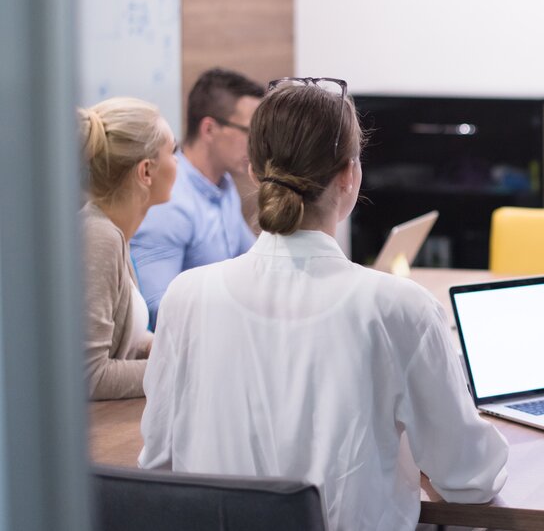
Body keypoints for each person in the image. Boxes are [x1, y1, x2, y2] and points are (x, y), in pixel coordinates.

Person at [139, 78, 508, 531]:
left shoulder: (186, 297)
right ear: (350, 175)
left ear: (254, 170)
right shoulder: (400, 308)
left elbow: (158, 465)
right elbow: (471, 479)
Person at [131, 68, 264, 328]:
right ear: (209, 129)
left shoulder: (223, 187)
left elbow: (256, 262)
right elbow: (158, 310)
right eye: (250, 132)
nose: (257, 144)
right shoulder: (168, 202)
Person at [79, 97, 178, 400]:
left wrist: (163, 345)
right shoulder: (99, 237)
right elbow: (90, 376)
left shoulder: (114, 232)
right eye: (173, 153)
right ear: (146, 172)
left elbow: (124, 337)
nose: (179, 163)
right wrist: (181, 369)